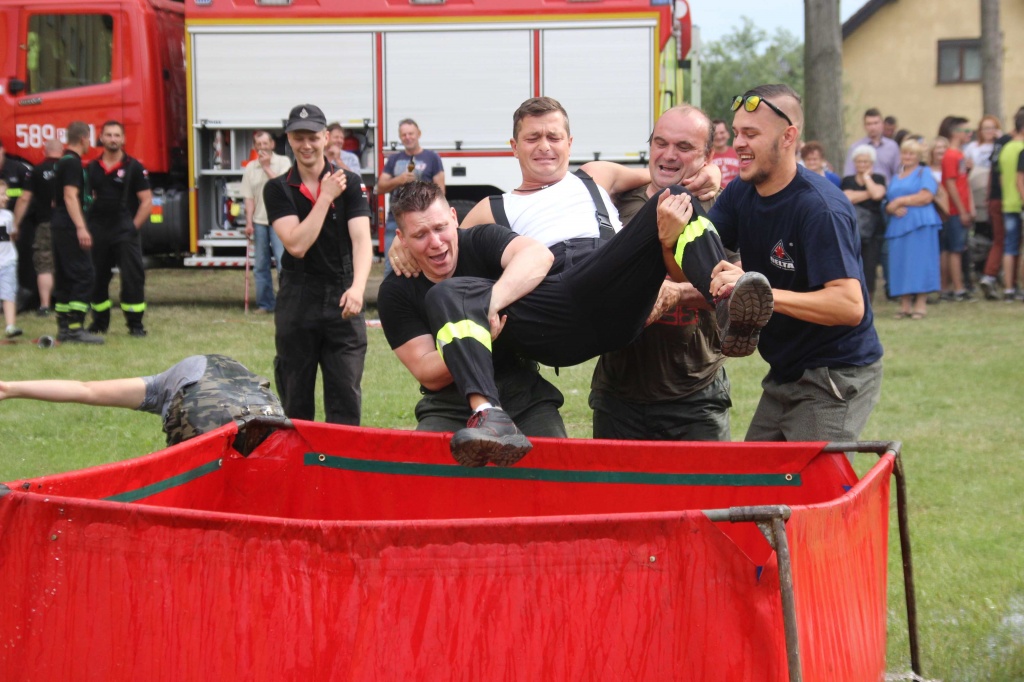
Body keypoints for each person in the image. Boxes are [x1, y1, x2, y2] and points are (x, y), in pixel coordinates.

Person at [389, 178, 771, 467]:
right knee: (445, 294)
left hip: (592, 308)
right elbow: (427, 371)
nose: (436, 243)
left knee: (673, 200)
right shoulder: (398, 290)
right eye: (420, 235)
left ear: (454, 217)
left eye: (440, 228)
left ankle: (723, 299)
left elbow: (536, 258)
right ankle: (488, 413)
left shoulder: (480, 238)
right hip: (541, 344)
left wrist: (487, 306)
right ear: (401, 241)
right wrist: (482, 336)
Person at [709, 84, 884, 443]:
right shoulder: (743, 190)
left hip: (835, 373)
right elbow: (707, 244)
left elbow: (850, 305)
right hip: (786, 371)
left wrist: (756, 291)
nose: (738, 142)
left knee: (809, 492)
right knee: (752, 487)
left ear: (788, 136)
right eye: (737, 132)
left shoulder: (820, 208)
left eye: (751, 134)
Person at [589, 105, 733, 442]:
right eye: (660, 143)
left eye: (684, 147)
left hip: (696, 396)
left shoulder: (725, 210)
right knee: (615, 496)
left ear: (708, 155)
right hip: (618, 395)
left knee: (704, 497)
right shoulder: (613, 204)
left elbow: (735, 287)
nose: (668, 154)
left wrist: (676, 294)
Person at [263, 103, 372, 425]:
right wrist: (324, 197)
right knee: (295, 397)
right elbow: (296, 245)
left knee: (345, 397)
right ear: (289, 140)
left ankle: (342, 469)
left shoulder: (350, 183)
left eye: (312, 136)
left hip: (343, 295)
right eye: (298, 137)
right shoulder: (277, 188)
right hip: (298, 298)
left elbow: (361, 240)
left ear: (325, 137)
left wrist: (358, 288)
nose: (306, 145)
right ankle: (299, 470)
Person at [0, 355, 285, 450]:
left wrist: (11, 388)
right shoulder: (186, 373)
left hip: (202, 407)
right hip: (268, 410)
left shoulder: (159, 387)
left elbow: (84, 389)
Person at [85, 121, 153, 336]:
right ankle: (99, 323)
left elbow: (147, 201)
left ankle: (135, 325)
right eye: (109, 135)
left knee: (132, 278)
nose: (113, 139)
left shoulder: (134, 167)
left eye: (117, 135)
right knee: (97, 277)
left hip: (124, 231)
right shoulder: (91, 168)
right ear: (102, 138)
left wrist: (132, 229)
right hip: (98, 230)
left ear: (123, 139)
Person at [51, 121, 104, 345]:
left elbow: (56, 200)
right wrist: (81, 227)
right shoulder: (73, 163)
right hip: (70, 226)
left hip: (59, 224)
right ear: (84, 139)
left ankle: (64, 327)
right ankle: (75, 329)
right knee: (84, 274)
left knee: (64, 275)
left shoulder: (61, 162)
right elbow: (69, 196)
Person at [885, 139, 943, 319]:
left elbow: (926, 196)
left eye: (911, 154)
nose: (907, 157)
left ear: (919, 156)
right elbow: (888, 203)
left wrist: (901, 201)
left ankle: (920, 304)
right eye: (904, 153)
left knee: (920, 262)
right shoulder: (896, 176)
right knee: (900, 263)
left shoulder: (923, 172)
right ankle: (904, 305)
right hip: (898, 225)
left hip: (921, 223)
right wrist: (892, 207)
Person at [377, 119, 444, 271]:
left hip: (424, 220)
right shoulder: (394, 159)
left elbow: (441, 191)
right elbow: (380, 188)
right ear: (400, 138)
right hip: (396, 221)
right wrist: (398, 180)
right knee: (392, 266)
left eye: (411, 134)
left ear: (418, 134)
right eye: (404, 135)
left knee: (425, 264)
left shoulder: (432, 158)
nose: (408, 137)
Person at [240, 130, 291, 314]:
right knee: (261, 264)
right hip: (260, 221)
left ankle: (286, 304)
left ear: (272, 145)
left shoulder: (283, 162)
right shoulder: (250, 167)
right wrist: (248, 222)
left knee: (283, 263)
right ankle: (265, 304)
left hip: (280, 221)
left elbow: (284, 187)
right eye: (258, 144)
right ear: (255, 147)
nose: (262, 147)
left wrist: (267, 167)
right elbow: (249, 198)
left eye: (265, 143)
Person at [12, 138, 63, 316]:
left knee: (44, 263)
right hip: (68, 224)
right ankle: (71, 302)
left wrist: (16, 225)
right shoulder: (72, 168)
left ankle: (44, 305)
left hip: (45, 223)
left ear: (44, 151)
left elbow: (25, 198)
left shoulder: (36, 171)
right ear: (62, 151)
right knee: (69, 262)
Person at [841, 144, 887, 302]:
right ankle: (854, 299)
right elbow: (847, 197)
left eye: (866, 162)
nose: (862, 165)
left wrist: (867, 179)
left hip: (873, 231)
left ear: (871, 163)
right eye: (859, 162)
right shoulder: (847, 180)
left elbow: (877, 195)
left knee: (870, 267)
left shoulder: (878, 178)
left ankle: (868, 300)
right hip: (852, 230)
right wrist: (869, 193)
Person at [937, 116, 974, 301]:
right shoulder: (951, 155)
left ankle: (947, 287)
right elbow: (951, 185)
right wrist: (962, 210)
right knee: (955, 250)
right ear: (955, 133)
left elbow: (962, 182)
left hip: (958, 209)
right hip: (954, 210)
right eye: (966, 131)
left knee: (952, 248)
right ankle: (957, 288)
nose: (970, 134)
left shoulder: (959, 154)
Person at [0, 139, 34, 311]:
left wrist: (16, 225)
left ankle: (21, 295)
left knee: (16, 259)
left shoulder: (18, 169)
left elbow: (26, 198)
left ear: (3, 150)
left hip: (17, 224)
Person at [996, 110, 1024, 302]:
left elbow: (1001, 177)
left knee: (1010, 247)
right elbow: (1019, 178)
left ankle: (1008, 288)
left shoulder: (1006, 148)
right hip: (1020, 202)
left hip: (1008, 202)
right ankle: (1020, 286)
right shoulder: (1022, 148)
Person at [844, 108, 901, 182]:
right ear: (864, 126)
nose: (873, 127)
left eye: (876, 123)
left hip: (886, 190)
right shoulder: (855, 148)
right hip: (861, 190)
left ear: (882, 124)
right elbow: (848, 175)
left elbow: (898, 173)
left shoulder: (892, 146)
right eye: (869, 124)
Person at [0, 181, 21, 338]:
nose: (6, 197)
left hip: (8, 261)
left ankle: (11, 326)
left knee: (8, 293)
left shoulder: (8, 215)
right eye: (2, 194)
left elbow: (12, 236)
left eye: (5, 193)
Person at [710, 119, 740, 188]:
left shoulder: (738, 153)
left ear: (728, 134)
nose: (719, 136)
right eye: (715, 134)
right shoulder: (706, 157)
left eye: (722, 133)